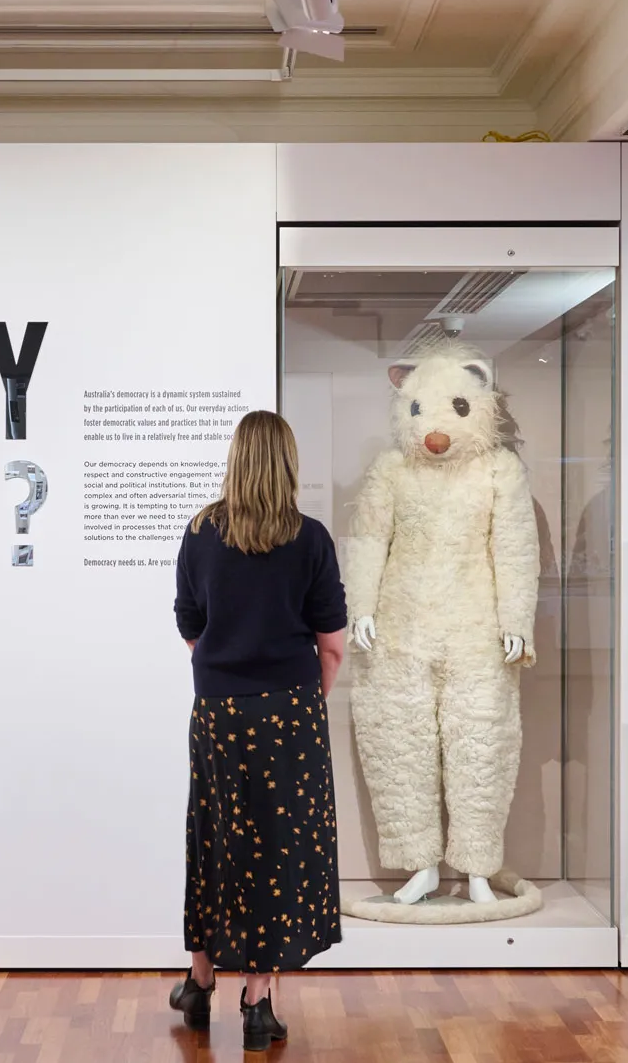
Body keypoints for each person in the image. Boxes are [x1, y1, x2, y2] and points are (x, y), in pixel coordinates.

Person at [168, 410, 348, 1052]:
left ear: (236, 459)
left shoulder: (199, 533)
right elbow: (332, 645)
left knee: (215, 839)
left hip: (218, 712)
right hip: (290, 714)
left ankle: (198, 979)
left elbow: (190, 625)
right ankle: (258, 1001)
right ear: (288, 462)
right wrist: (301, 703)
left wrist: (225, 672)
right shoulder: (311, 539)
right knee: (278, 851)